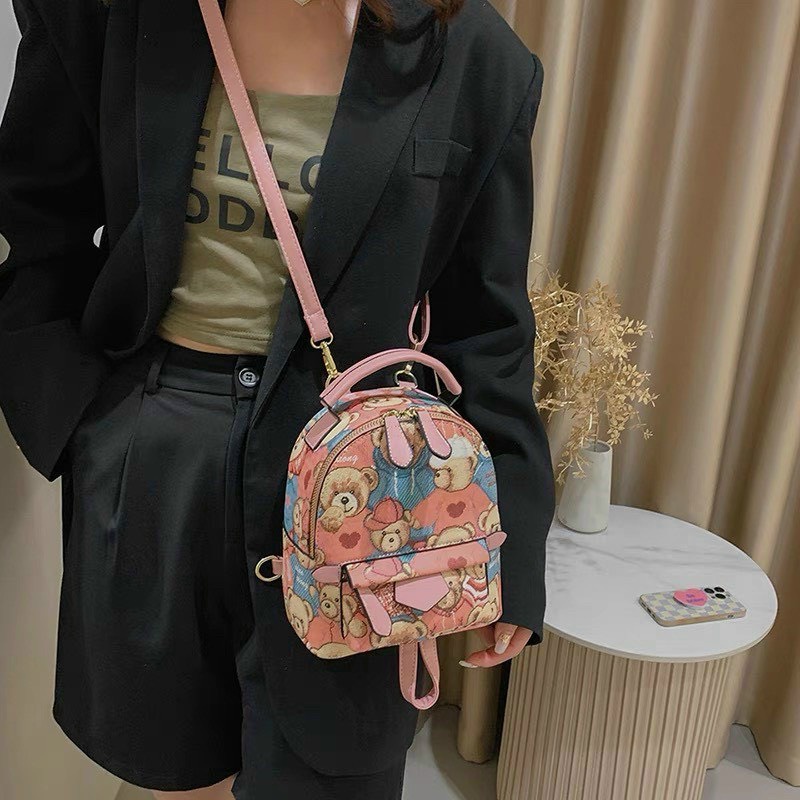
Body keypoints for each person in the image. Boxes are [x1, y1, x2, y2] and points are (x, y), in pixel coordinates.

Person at [0, 0, 556, 797]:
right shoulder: (110, 15)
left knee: (332, 772)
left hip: (365, 490)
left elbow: (487, 326)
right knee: (169, 772)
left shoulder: (474, 58)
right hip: (158, 454)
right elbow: (36, 220)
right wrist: (82, 423)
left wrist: (514, 542)